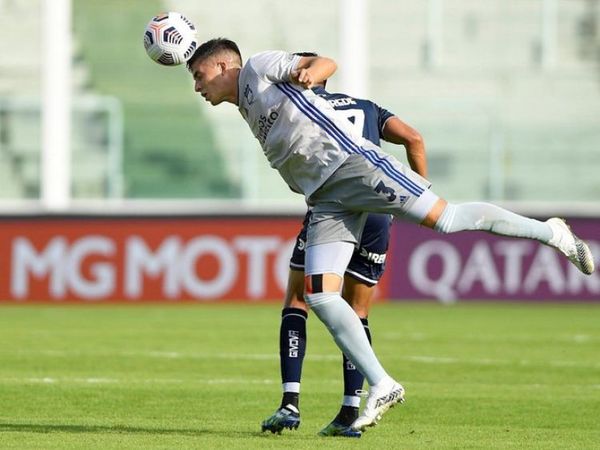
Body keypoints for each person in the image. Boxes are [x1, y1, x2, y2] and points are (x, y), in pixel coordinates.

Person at [186, 38, 595, 433]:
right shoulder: (247, 105)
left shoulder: (257, 67)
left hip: (353, 164)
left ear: (224, 66)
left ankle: (552, 233)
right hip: (326, 198)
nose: (198, 86)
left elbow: (324, 62)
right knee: (320, 294)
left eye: (200, 75)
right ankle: (382, 384)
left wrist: (310, 75)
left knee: (447, 219)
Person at [259, 53, 428, 438]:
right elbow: (414, 138)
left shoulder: (298, 109)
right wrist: (417, 195)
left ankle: (290, 402)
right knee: (357, 309)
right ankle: (350, 411)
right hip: (377, 210)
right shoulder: (366, 107)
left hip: (335, 206)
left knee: (300, 298)